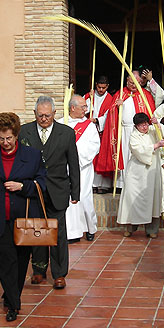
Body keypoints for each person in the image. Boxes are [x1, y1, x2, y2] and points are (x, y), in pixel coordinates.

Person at [0, 112, 47, 321]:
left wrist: (23, 186)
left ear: (16, 135)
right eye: (1, 138)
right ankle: (14, 304)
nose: (5, 142)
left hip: (23, 216)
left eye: (9, 138)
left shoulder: (32, 155)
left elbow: (43, 182)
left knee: (22, 260)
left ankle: (11, 293)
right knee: (6, 259)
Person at [19, 96, 80, 289]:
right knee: (37, 230)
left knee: (58, 233)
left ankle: (59, 273)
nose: (44, 119)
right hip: (34, 190)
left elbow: (73, 164)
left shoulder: (67, 133)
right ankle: (38, 270)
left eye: (47, 115)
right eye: (40, 115)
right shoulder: (24, 132)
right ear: (35, 113)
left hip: (58, 190)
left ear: (54, 113)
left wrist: (75, 192)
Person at [96, 70, 156, 190]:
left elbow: (151, 112)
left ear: (141, 82)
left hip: (140, 132)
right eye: (130, 82)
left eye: (136, 82)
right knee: (123, 155)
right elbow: (111, 113)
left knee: (138, 155)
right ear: (127, 81)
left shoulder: (146, 95)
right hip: (123, 131)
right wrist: (117, 107)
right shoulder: (120, 94)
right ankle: (121, 184)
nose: (133, 85)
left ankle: (139, 183)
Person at [117, 113, 164, 238]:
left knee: (153, 199)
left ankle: (152, 230)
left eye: (145, 124)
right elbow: (139, 150)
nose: (144, 127)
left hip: (152, 171)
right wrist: (155, 146)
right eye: (140, 125)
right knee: (132, 199)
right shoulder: (133, 136)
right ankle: (130, 227)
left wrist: (158, 124)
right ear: (136, 126)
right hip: (137, 172)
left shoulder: (152, 130)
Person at [65, 95, 100, 243]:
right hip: (64, 168)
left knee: (83, 198)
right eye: (83, 107)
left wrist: (75, 160)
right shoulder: (62, 123)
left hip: (82, 168)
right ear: (73, 108)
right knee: (67, 200)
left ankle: (90, 228)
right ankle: (71, 232)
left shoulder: (90, 126)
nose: (87, 109)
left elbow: (94, 146)